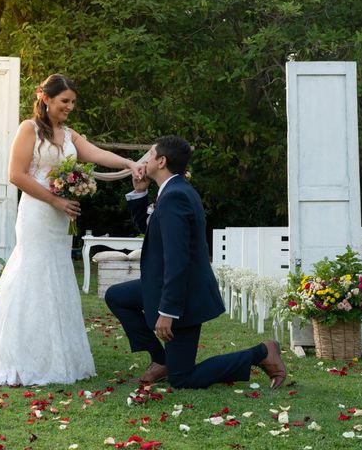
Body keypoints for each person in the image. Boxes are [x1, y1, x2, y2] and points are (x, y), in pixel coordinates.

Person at [0, 74, 143, 387]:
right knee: (31, 273)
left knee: (56, 275)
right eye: (65, 101)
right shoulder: (29, 129)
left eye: (73, 102)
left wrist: (130, 163)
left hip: (60, 218)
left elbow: (96, 154)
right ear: (46, 98)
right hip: (38, 214)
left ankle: (55, 356)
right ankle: (17, 356)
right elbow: (16, 174)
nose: (70, 106)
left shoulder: (68, 135)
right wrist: (55, 200)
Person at [104, 135, 287, 389]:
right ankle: (161, 359)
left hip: (184, 298)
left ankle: (261, 352)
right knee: (117, 296)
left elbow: (178, 259)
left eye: (149, 154)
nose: (144, 159)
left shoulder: (174, 196)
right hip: (165, 287)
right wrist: (139, 192)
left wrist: (166, 312)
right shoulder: (172, 190)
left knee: (183, 379)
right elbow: (152, 230)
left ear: (162, 161)